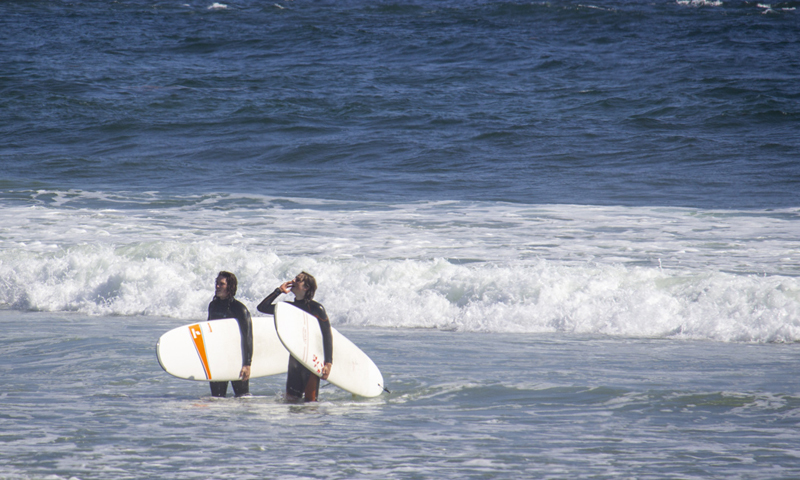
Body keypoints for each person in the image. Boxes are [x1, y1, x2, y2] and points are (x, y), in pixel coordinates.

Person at [257, 272, 332, 402]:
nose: (293, 280)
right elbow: (262, 308)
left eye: (298, 279)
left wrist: (328, 363)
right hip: (295, 359)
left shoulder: (316, 308)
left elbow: (327, 335)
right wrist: (278, 291)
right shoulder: (288, 308)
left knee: (311, 405)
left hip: (311, 360)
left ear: (306, 287)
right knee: (291, 401)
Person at [207, 271, 253, 398]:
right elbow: (209, 332)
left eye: (221, 284)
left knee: (242, 397)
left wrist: (247, 364)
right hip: (217, 359)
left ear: (230, 287)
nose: (217, 286)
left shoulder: (240, 309)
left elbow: (248, 337)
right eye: (216, 283)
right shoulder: (213, 306)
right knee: (217, 398)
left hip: (236, 359)